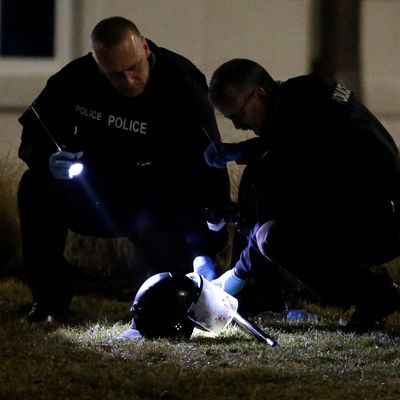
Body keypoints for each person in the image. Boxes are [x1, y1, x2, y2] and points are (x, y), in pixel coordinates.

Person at [17, 16, 230, 323]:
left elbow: (207, 165)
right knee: (35, 186)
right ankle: (49, 301)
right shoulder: (75, 78)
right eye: (115, 74)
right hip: (90, 192)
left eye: (134, 68)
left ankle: (171, 302)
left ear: (144, 48)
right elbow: (35, 133)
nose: (128, 81)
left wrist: (205, 247)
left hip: (153, 200)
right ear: (97, 64)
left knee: (174, 288)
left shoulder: (180, 83)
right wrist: (49, 159)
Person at [205, 58, 400, 332]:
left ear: (259, 94)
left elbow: (274, 204)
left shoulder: (299, 122)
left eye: (238, 115)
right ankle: (372, 294)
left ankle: (373, 294)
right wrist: (240, 152)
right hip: (376, 210)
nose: (237, 125)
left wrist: (237, 274)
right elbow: (290, 141)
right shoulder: (305, 95)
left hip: (377, 222)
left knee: (272, 238)